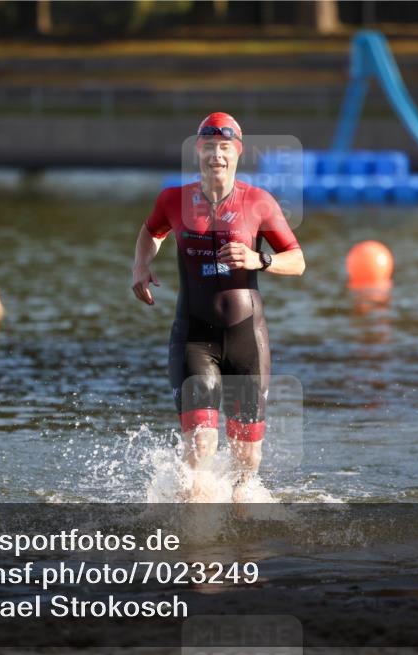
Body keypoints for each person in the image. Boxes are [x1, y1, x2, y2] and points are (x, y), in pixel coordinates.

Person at [131, 112, 305, 502]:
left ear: (238, 153)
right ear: (198, 152)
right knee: (201, 446)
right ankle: (194, 543)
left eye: (225, 148)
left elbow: (297, 259)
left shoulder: (259, 203)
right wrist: (141, 264)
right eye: (209, 148)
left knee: (248, 460)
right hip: (194, 338)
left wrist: (261, 260)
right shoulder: (173, 199)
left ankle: (240, 529)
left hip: (247, 339)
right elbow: (150, 231)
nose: (216, 156)